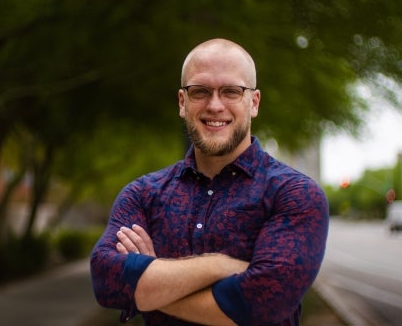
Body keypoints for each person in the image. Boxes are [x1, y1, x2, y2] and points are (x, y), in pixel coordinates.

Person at [90, 38, 329, 326]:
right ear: (182, 102)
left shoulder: (294, 194)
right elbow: (106, 281)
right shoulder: (143, 194)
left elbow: (262, 305)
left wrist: (151, 279)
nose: (215, 105)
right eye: (200, 91)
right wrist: (220, 266)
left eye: (231, 91)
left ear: (253, 103)